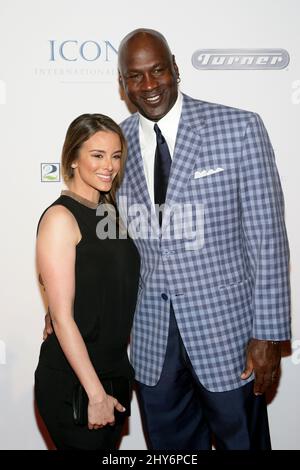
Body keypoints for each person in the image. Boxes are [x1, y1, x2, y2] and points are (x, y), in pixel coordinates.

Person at [116, 29, 291, 450]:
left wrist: (267, 334)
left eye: (157, 70)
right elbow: (103, 241)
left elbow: (267, 236)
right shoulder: (113, 144)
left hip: (228, 335)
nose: (149, 85)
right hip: (152, 340)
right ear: (122, 85)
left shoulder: (239, 128)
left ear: (175, 67)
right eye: (135, 76)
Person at [35, 113, 140, 450]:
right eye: (97, 155)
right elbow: (64, 317)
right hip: (75, 383)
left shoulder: (111, 213)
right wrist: (95, 394)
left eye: (116, 155)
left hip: (115, 374)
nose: (109, 165)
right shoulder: (60, 217)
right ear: (73, 159)